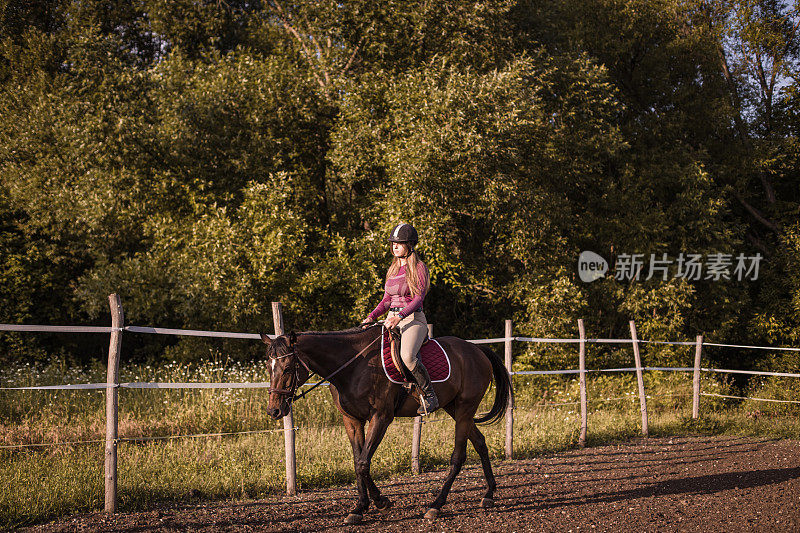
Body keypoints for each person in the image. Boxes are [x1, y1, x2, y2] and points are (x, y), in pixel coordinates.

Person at [362, 222, 439, 414]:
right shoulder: (393, 269)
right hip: (391, 318)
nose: (394, 246)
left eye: (400, 243)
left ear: (410, 245)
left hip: (413, 319)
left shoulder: (419, 267)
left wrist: (400, 317)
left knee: (407, 356)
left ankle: (430, 396)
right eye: (393, 243)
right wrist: (371, 317)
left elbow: (419, 298)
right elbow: (386, 300)